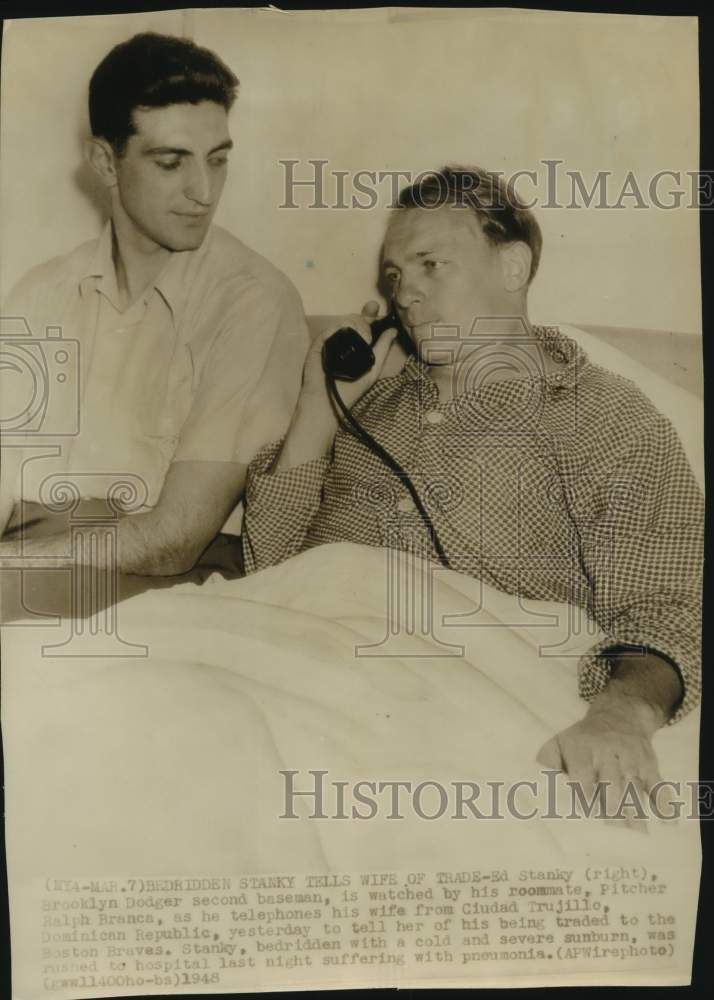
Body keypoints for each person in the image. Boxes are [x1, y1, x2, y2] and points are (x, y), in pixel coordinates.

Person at [239, 166, 703, 806]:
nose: (405, 294)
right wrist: (318, 408)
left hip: (444, 704)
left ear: (513, 267)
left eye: (431, 265)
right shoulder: (369, 408)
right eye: (395, 276)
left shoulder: (604, 417)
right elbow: (268, 574)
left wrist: (622, 714)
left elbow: (668, 606)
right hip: (285, 661)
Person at [0, 32, 309, 577]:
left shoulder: (253, 300)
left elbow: (174, 540)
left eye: (217, 160)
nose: (204, 191)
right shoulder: (41, 293)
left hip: (164, 580)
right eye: (172, 163)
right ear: (105, 161)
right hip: (30, 559)